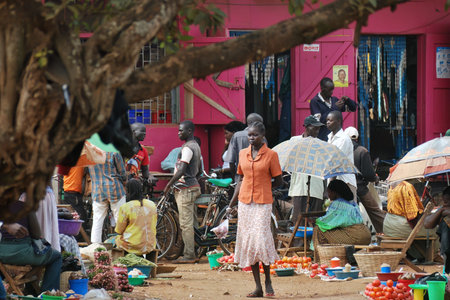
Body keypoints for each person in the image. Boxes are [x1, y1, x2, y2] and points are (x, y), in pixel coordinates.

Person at [227, 121, 283, 298]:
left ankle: (268, 281)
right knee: (249, 242)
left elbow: (279, 181)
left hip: (263, 202)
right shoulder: (243, 154)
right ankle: (258, 286)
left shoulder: (271, 155)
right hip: (245, 203)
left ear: (263, 135)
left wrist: (265, 185)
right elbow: (240, 180)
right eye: (249, 135)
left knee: (260, 240)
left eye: (255, 135)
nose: (251, 138)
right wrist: (231, 204)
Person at [0, 200, 62, 293]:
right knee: (56, 256)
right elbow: (36, 234)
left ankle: (30, 290)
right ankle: (48, 293)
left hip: (2, 253)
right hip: (22, 252)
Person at [163, 120, 202, 263]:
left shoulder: (187, 148)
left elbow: (181, 170)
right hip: (193, 187)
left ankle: (189, 255)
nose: (178, 133)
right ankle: (195, 250)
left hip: (186, 189)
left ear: (189, 131)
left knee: (185, 224)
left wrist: (169, 184)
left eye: (181, 130)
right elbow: (200, 170)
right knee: (192, 223)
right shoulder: (196, 146)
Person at [344, 126, 386, 233]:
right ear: (357, 138)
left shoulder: (341, 151)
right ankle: (385, 232)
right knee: (374, 211)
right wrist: (376, 178)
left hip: (344, 187)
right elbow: (369, 175)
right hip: (360, 188)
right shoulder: (362, 151)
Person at [384, 181, 439, 261]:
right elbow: (412, 215)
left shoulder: (392, 185)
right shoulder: (406, 186)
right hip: (400, 226)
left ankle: (420, 255)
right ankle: (431, 255)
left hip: (389, 225)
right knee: (435, 229)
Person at [288, 116, 325, 225]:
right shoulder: (294, 141)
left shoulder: (320, 144)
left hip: (316, 185)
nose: (317, 131)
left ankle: (313, 241)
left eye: (318, 129)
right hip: (299, 185)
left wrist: (325, 190)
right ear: (307, 127)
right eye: (315, 128)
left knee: (314, 217)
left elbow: (324, 167)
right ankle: (299, 241)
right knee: (298, 216)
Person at [313, 180, 371, 249]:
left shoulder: (337, 203)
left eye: (329, 192)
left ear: (335, 192)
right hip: (366, 235)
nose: (328, 195)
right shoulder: (353, 203)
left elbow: (326, 222)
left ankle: (319, 255)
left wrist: (315, 221)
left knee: (318, 229)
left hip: (355, 237)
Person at [88, 152, 127, 243]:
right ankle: (123, 247)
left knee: (97, 220)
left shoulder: (90, 152)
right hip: (114, 188)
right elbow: (122, 173)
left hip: (97, 189)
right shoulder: (113, 152)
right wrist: (125, 181)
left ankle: (95, 248)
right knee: (120, 220)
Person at [115, 178, 157, 255]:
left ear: (128, 191)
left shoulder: (125, 207)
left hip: (132, 246)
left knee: (116, 239)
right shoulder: (152, 205)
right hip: (150, 245)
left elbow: (119, 230)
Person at [223, 113, 264, 181]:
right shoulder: (262, 137)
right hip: (257, 177)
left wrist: (235, 177)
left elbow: (231, 161)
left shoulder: (236, 136)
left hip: (240, 177)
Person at [326, 111, 357, 201]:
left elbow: (336, 162)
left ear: (339, 121)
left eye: (330, 120)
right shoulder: (330, 138)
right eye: (327, 120)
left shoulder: (343, 139)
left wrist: (330, 187)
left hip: (345, 183)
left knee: (347, 212)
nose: (327, 122)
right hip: (335, 183)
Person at [425, 187, 450, 273]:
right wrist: (441, 210)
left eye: (447, 202)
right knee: (445, 222)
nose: (445, 204)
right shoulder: (444, 210)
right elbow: (427, 224)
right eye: (445, 201)